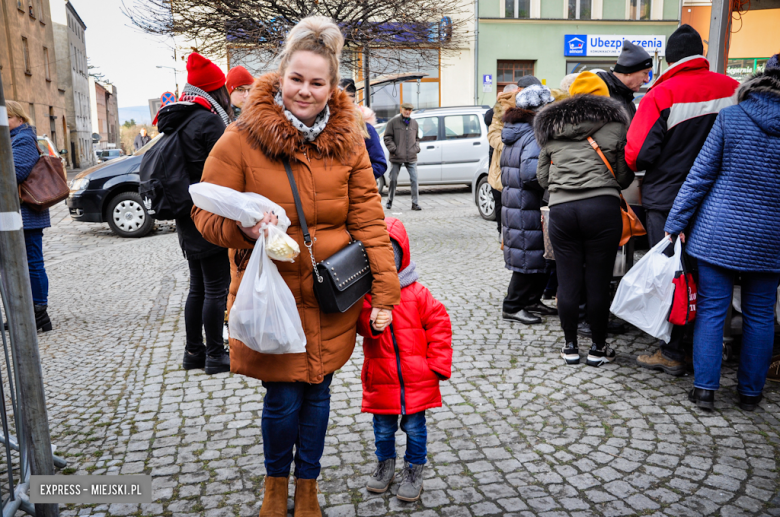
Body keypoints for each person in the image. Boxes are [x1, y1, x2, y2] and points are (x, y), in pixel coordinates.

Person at [192, 16, 400, 516]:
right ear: (282, 75)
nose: (305, 91)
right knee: (283, 398)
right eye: (297, 79)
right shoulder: (241, 138)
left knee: (319, 393)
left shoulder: (349, 141)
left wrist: (387, 293)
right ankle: (274, 488)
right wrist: (242, 230)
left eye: (318, 82)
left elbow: (370, 220)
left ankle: (307, 488)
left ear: (332, 87)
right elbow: (204, 214)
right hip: (273, 299)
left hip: (332, 296)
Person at [664, 55, 780, 412]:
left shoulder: (731, 117)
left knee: (713, 311)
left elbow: (700, 175)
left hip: (719, 232)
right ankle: (750, 394)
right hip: (772, 238)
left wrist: (675, 223)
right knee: (761, 315)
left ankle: (705, 391)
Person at [627, 25, 739, 377]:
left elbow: (638, 154)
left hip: (669, 200)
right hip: (723, 200)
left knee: (675, 276)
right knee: (713, 278)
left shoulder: (661, 94)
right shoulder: (734, 89)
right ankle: (709, 348)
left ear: (670, 59)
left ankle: (673, 351)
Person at [534, 72, 634, 367]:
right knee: (598, 281)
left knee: (567, 281)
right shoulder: (616, 125)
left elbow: (542, 177)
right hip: (602, 209)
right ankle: (598, 349)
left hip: (562, 211)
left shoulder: (552, 127)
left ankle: (569, 347)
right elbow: (624, 174)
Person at [358, 217, 452, 502]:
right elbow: (359, 326)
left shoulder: (418, 293)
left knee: (414, 428)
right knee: (383, 429)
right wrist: (372, 322)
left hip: (417, 378)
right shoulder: (367, 296)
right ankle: (385, 466)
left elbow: (440, 324)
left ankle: (414, 469)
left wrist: (435, 365)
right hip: (382, 377)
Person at [156, 52, 234, 375]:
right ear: (217, 90)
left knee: (198, 286)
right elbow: (227, 168)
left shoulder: (183, 118)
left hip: (186, 215)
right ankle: (216, 354)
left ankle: (193, 352)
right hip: (209, 212)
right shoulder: (209, 120)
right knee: (216, 286)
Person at [500, 85, 557, 325]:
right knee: (527, 257)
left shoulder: (516, 130)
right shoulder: (533, 133)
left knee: (533, 255)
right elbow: (531, 174)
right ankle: (512, 306)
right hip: (527, 203)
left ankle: (531, 300)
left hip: (517, 202)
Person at [7, 100, 52, 332]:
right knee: (18, 264)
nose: (4, 123)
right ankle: (24, 313)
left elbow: (15, 173)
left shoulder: (23, 138)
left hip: (28, 212)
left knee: (33, 263)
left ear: (20, 119)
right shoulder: (12, 139)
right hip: (17, 213)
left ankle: (39, 314)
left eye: (8, 118)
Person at [488, 77, 540, 238]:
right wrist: (510, 148)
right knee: (506, 206)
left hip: (530, 165)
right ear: (519, 90)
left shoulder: (541, 103)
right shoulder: (503, 107)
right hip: (505, 167)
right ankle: (503, 234)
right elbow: (493, 134)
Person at [596, 40, 652, 121]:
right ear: (628, 71)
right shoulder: (598, 92)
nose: (647, 80)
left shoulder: (629, 102)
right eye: (645, 73)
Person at [384, 102, 421, 210]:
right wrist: (393, 149)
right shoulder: (393, 122)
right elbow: (387, 137)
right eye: (406, 109)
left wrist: (416, 148)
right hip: (397, 156)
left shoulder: (414, 123)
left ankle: (415, 203)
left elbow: (417, 138)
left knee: (414, 179)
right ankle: (389, 201)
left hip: (411, 156)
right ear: (402, 109)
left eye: (410, 110)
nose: (408, 111)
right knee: (393, 179)